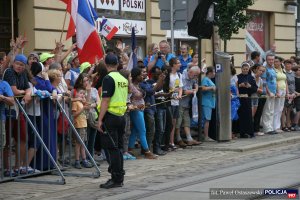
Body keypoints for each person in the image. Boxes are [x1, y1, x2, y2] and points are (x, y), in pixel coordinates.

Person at [97, 53, 128, 189]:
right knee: (118, 148)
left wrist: (100, 119)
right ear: (116, 64)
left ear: (105, 63)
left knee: (112, 149)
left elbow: (106, 100)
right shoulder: (123, 78)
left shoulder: (108, 78)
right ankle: (119, 176)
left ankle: (116, 178)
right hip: (121, 116)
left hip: (111, 116)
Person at [3, 54, 32, 176]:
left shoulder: (23, 74)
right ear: (13, 63)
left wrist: (27, 92)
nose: (19, 67)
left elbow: (29, 87)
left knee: (23, 137)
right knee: (7, 140)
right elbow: (14, 91)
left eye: (22, 65)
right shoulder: (9, 72)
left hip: (18, 109)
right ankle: (6, 168)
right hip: (8, 109)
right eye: (18, 64)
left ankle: (17, 166)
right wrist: (24, 92)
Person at [175, 66, 201, 145]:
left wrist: (196, 89)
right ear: (190, 72)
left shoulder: (193, 77)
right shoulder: (182, 77)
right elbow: (182, 91)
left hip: (187, 103)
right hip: (180, 103)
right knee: (178, 122)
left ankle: (189, 138)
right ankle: (178, 138)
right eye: (195, 75)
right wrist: (190, 92)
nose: (195, 77)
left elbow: (196, 83)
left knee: (187, 121)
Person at [72, 88, 93, 169]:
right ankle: (77, 160)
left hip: (84, 124)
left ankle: (84, 159)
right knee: (78, 143)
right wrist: (83, 108)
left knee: (83, 143)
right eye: (81, 93)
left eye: (84, 94)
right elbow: (74, 115)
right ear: (76, 94)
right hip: (79, 125)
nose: (82, 95)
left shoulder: (81, 103)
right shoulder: (75, 103)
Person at [237, 62, 258, 138]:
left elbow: (255, 88)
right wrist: (240, 85)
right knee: (241, 116)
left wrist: (249, 86)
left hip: (247, 98)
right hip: (240, 98)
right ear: (241, 69)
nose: (245, 70)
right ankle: (242, 132)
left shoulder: (251, 77)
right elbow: (234, 87)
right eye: (244, 69)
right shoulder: (237, 77)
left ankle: (250, 132)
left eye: (247, 69)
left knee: (248, 116)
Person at [261, 54, 277, 134]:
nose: (271, 61)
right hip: (268, 93)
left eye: (272, 59)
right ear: (266, 60)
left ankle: (271, 127)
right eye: (269, 59)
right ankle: (267, 128)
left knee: (271, 111)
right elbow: (264, 82)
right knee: (267, 111)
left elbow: (275, 81)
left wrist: (275, 91)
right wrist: (269, 92)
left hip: (273, 93)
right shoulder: (265, 69)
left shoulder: (273, 69)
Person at [201, 66, 216, 141]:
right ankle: (206, 136)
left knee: (208, 119)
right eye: (214, 72)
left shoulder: (209, 79)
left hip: (210, 102)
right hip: (206, 102)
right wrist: (211, 88)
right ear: (210, 72)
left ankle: (206, 135)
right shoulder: (205, 79)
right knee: (207, 119)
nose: (215, 73)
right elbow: (203, 88)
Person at [273, 56, 288, 133]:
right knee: (276, 108)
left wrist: (287, 92)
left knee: (281, 109)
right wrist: (277, 91)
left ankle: (278, 126)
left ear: (280, 62)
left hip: (283, 90)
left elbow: (285, 81)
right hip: (277, 90)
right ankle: (275, 127)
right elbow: (275, 81)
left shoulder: (282, 70)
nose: (275, 63)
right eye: (274, 61)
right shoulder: (273, 70)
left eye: (277, 61)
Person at [281, 59, 295, 131]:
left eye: (290, 64)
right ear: (284, 65)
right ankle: (283, 125)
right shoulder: (283, 73)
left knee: (289, 110)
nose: (288, 65)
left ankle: (288, 124)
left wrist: (294, 93)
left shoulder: (293, 73)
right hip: (286, 93)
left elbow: (294, 83)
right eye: (287, 64)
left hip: (292, 94)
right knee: (283, 109)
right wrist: (288, 92)